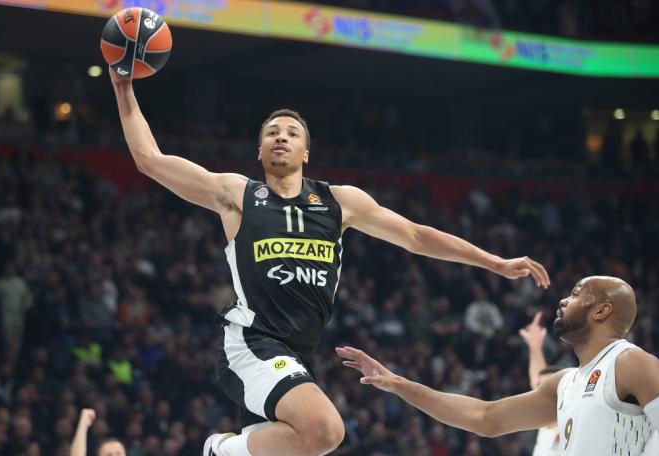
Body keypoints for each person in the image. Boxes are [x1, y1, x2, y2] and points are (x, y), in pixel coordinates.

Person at [109, 67, 550, 456]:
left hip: (300, 353)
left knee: (304, 443)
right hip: (252, 342)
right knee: (325, 430)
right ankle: (218, 449)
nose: (281, 136)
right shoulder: (238, 195)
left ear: (306, 153)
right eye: (271, 133)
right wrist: (123, 87)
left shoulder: (340, 202)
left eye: (291, 133)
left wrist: (494, 262)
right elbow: (150, 160)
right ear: (259, 152)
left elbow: (416, 236)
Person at [337, 276, 659, 455]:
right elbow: (485, 418)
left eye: (576, 294)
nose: (563, 300)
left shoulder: (630, 362)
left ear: (602, 311)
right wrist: (400, 384)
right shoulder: (565, 383)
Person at [519, 311, 565, 456]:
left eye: (546, 390)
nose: (539, 394)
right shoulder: (546, 421)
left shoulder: (575, 429)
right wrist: (535, 347)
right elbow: (537, 377)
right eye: (539, 388)